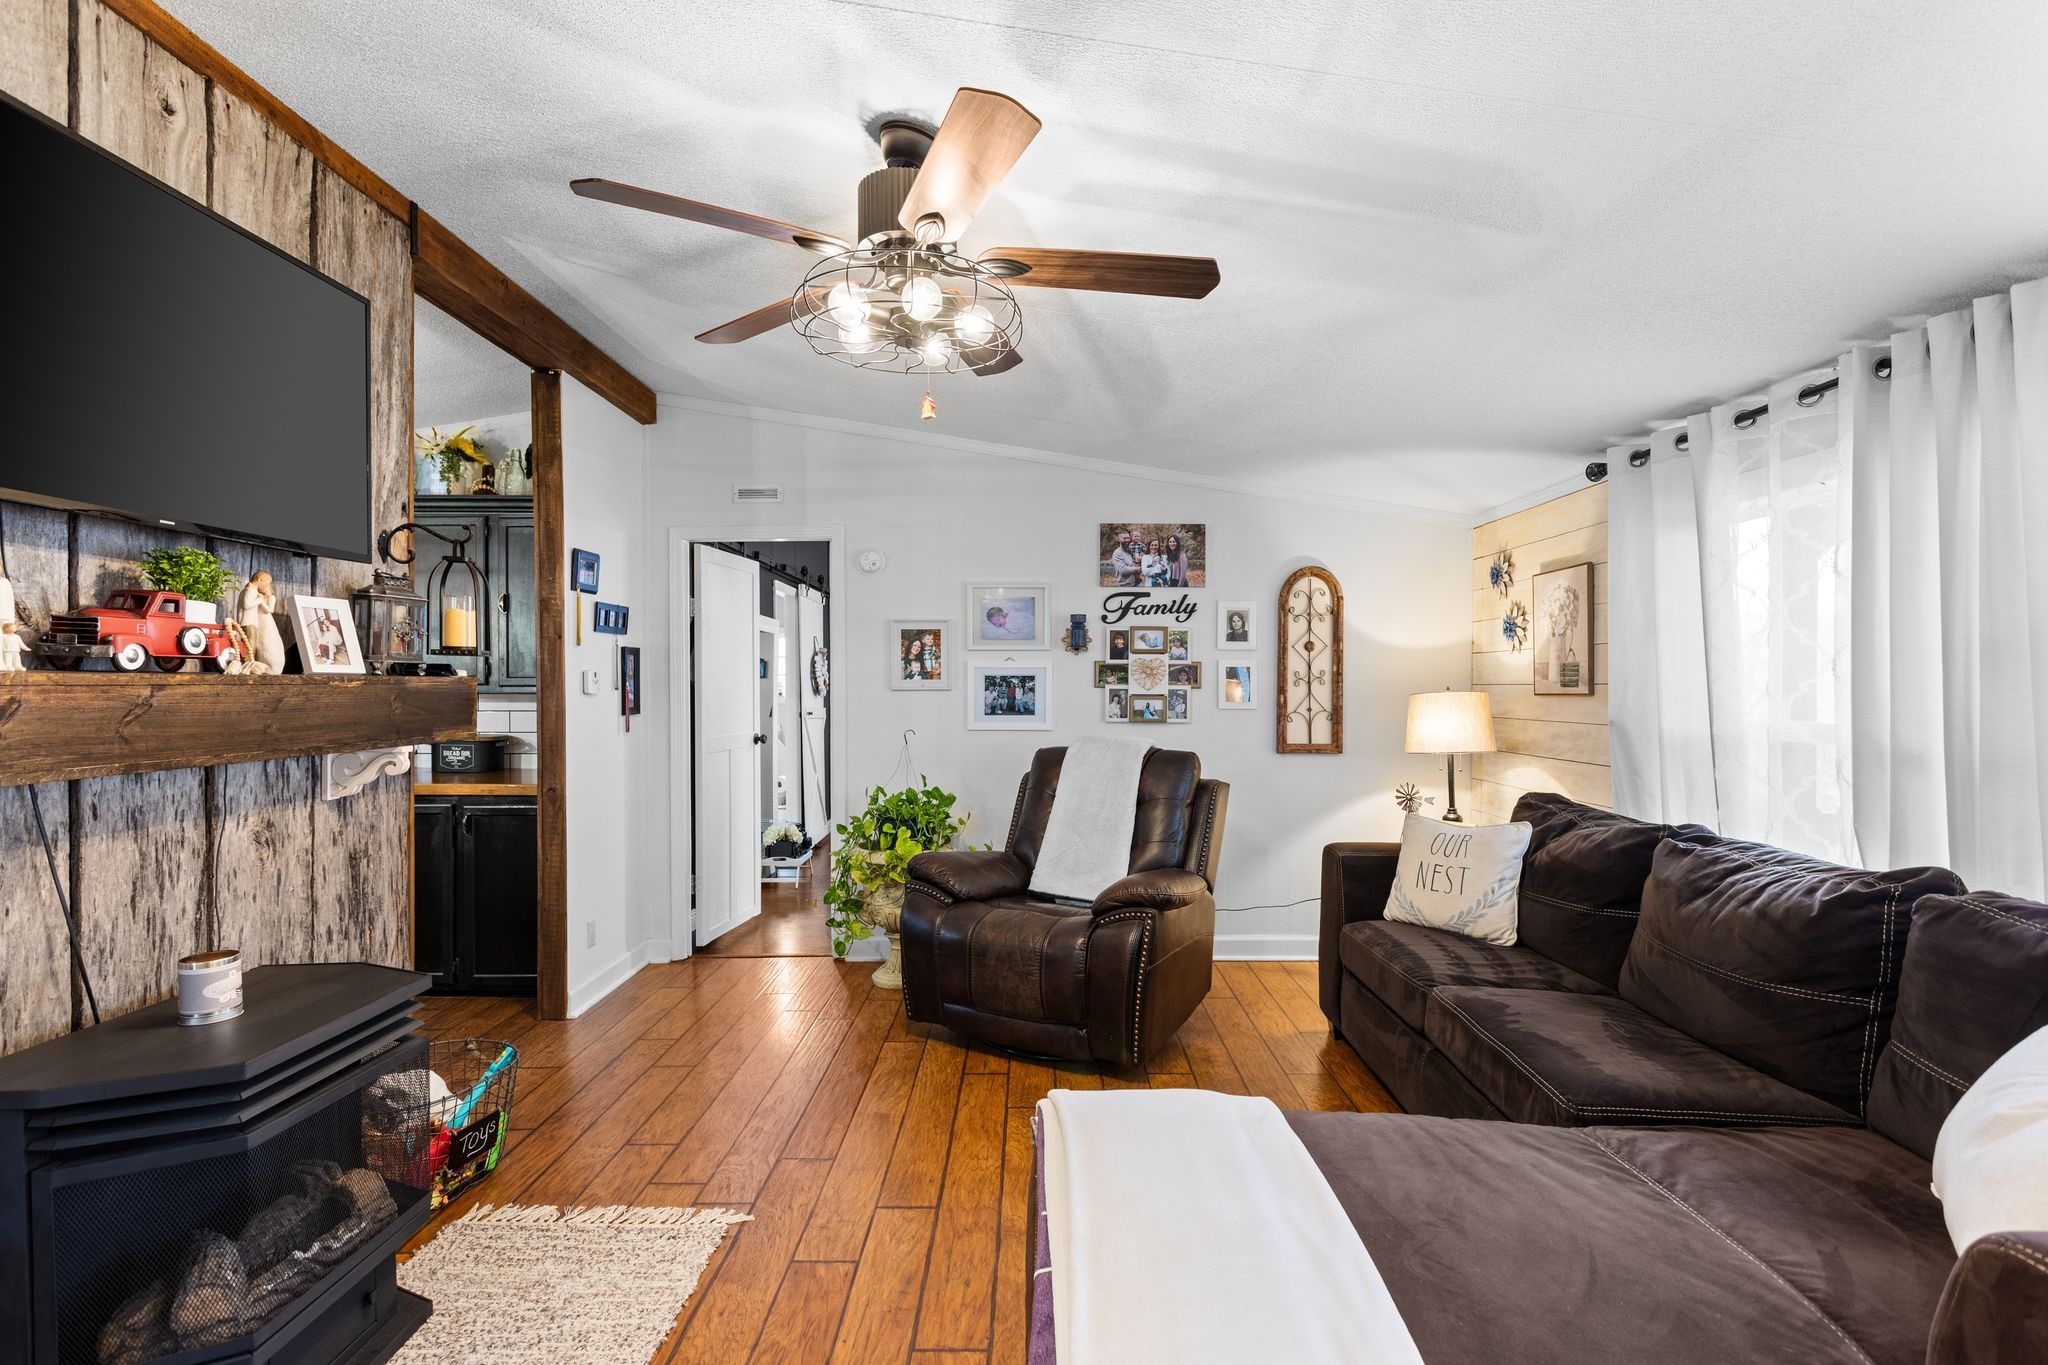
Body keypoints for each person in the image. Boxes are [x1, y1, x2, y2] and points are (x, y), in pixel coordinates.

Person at [238, 571, 287, 673]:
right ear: (260, 580)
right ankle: (248, 666)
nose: (268, 585)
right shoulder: (251, 590)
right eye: (267, 582)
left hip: (256, 621)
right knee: (250, 644)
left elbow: (269, 609)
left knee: (253, 644)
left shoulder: (259, 594)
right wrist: (260, 600)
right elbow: (247, 605)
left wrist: (260, 600)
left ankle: (251, 665)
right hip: (250, 621)